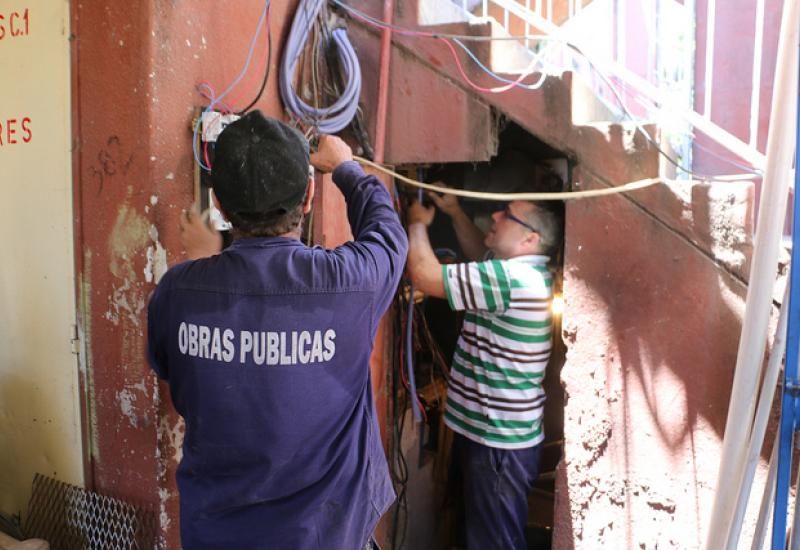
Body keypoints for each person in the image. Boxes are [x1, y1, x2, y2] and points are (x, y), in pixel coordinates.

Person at [147, 110, 407, 549]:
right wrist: (345, 167)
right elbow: (388, 234)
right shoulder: (350, 284)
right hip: (328, 536)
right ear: (308, 196)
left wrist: (204, 270)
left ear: (222, 208)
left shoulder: (178, 291)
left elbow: (174, 369)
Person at [406, 190, 562, 550]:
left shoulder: (510, 280)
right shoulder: (526, 272)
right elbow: (481, 254)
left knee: (493, 543)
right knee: (487, 534)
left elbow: (426, 276)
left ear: (530, 238)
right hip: (498, 437)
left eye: (507, 214)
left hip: (498, 445)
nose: (494, 216)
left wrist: (416, 223)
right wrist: (455, 211)